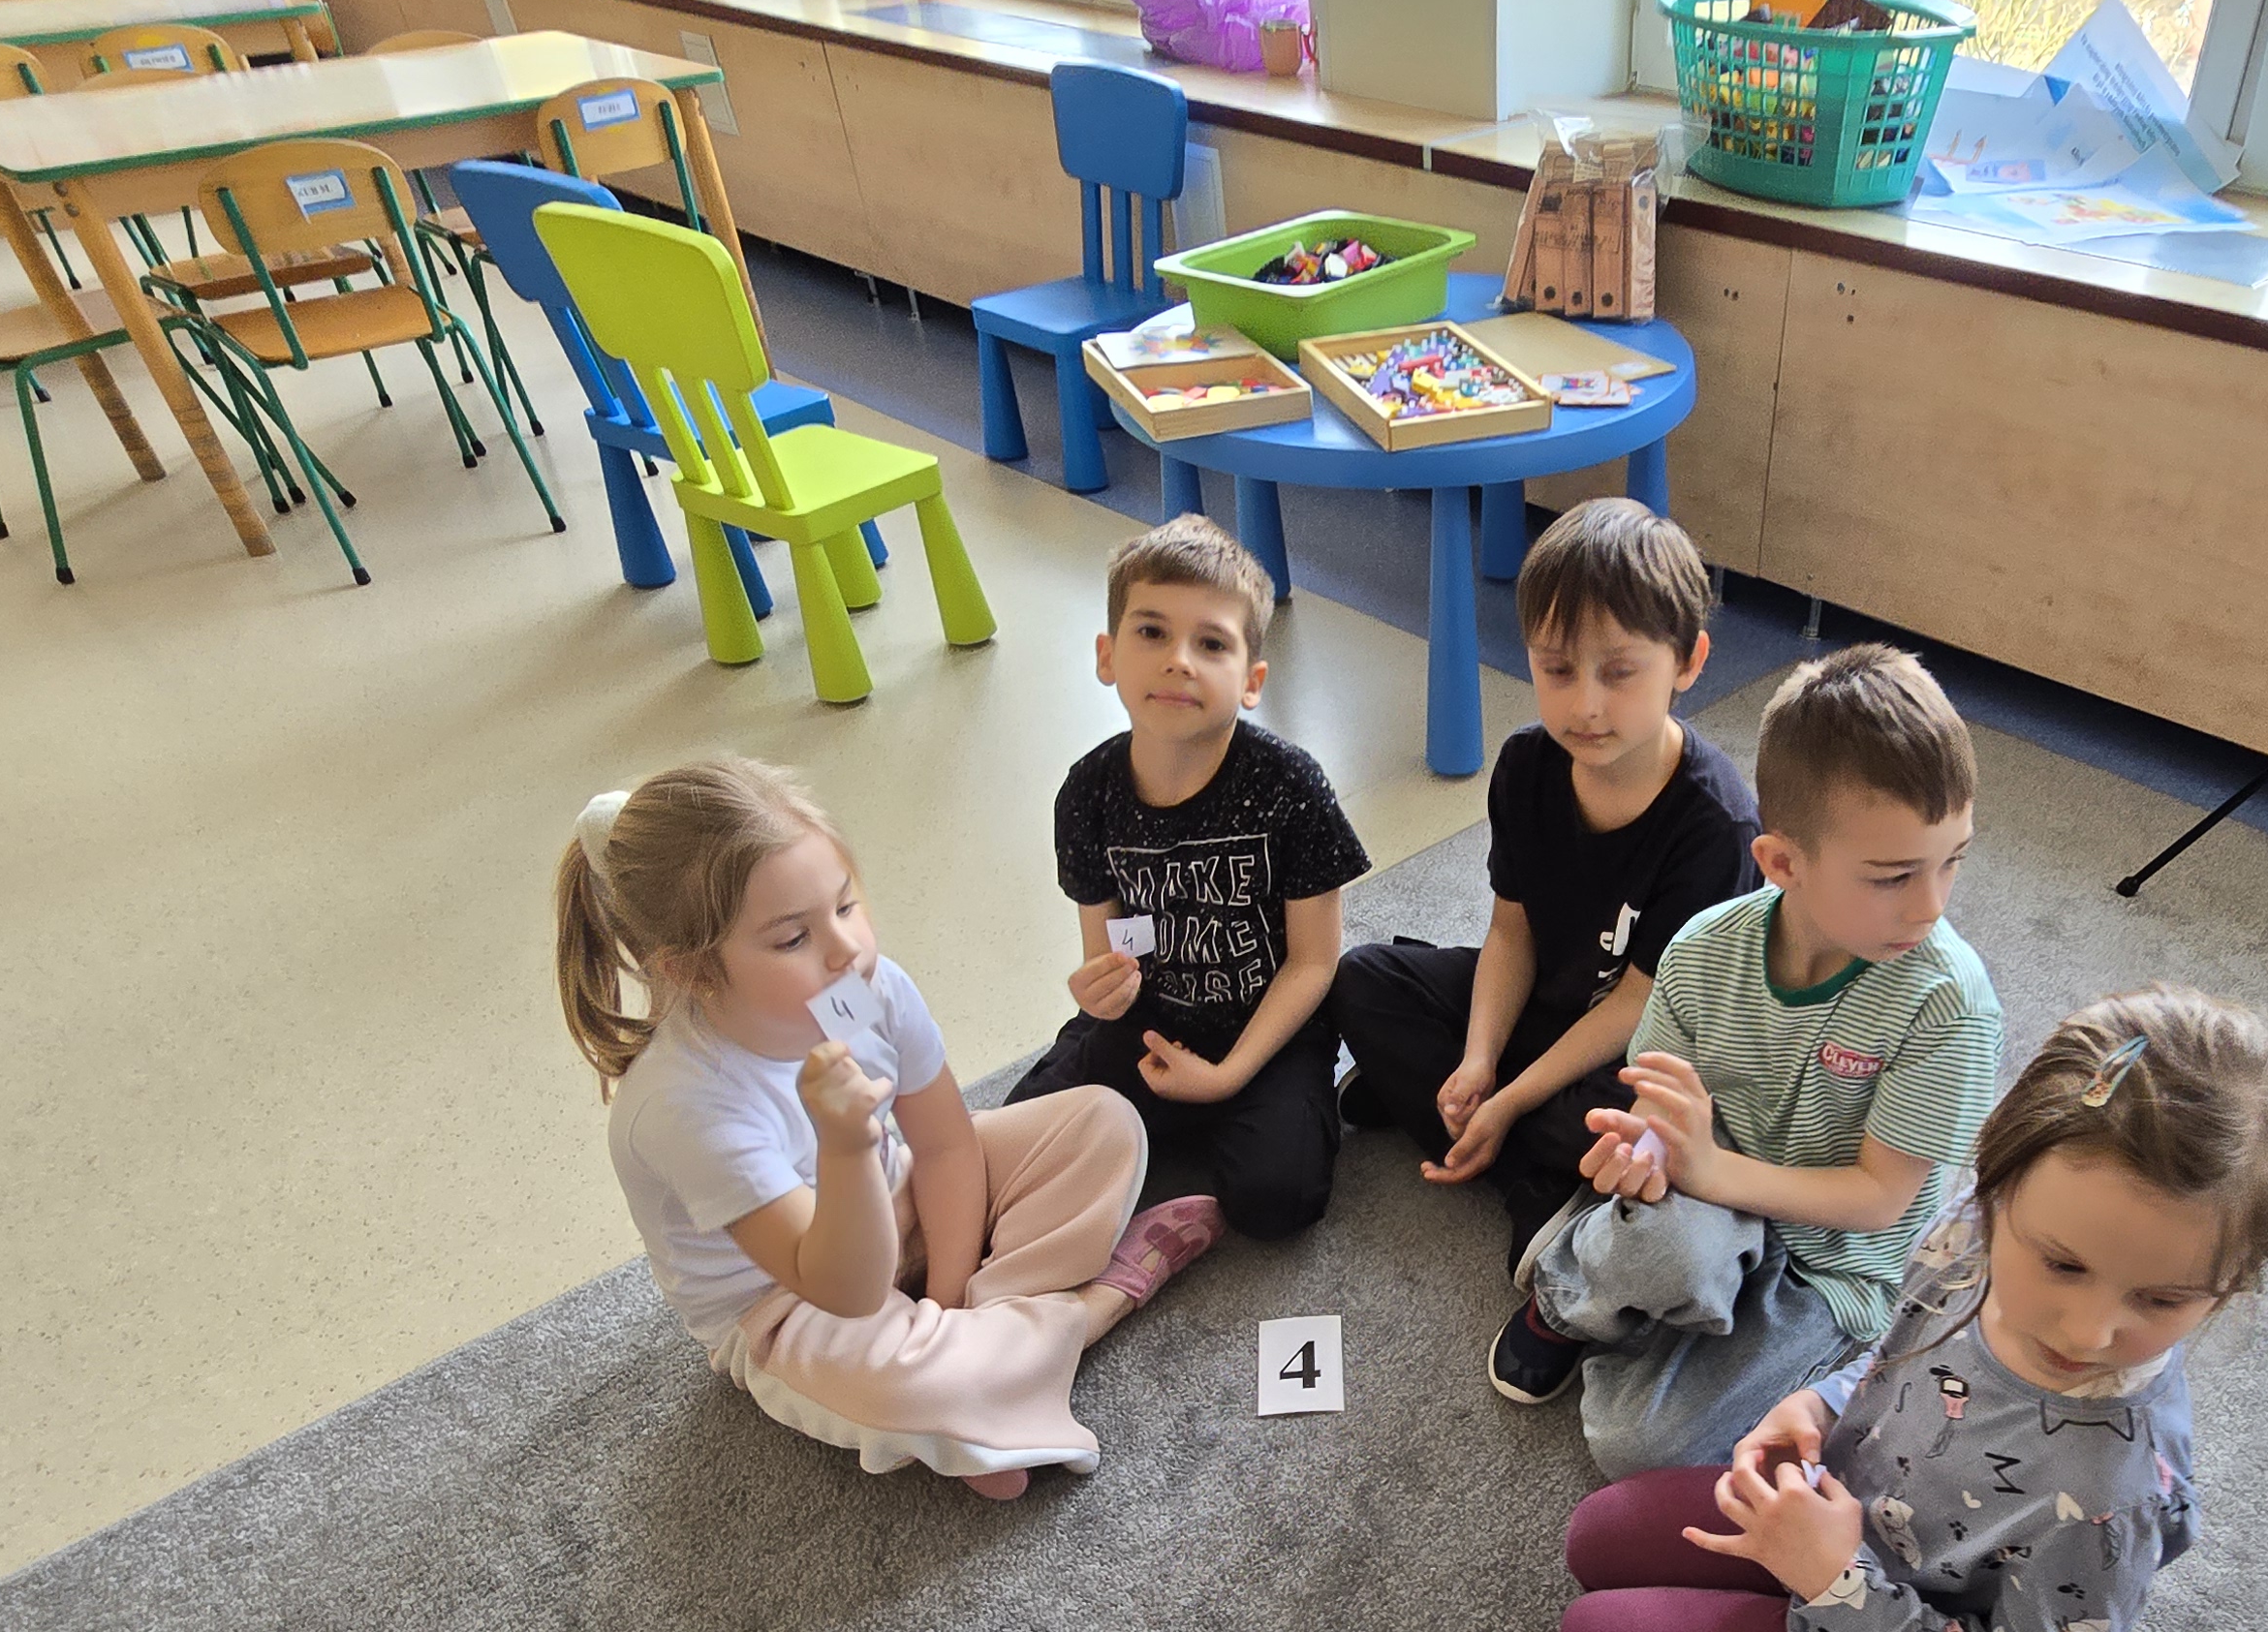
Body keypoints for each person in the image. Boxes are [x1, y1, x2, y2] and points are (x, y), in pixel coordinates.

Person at [1553, 989, 2268, 1632]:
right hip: (1853, 1519)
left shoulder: (2111, 1494)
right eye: (2061, 1264)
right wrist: (1822, 1400)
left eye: (2163, 1299)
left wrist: (1837, 1582)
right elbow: (1904, 1347)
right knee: (1597, 1540)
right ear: (1994, 1188)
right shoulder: (1973, 1229)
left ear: (2234, 1284)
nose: (2087, 1332)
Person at [560, 758, 1222, 1501]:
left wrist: (947, 1294)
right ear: (692, 972)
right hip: (792, 1303)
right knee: (910, 1384)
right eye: (792, 939)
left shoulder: (864, 987)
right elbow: (843, 1288)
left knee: (1103, 1122)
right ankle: (1095, 1308)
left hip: (895, 1190)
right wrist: (844, 1149)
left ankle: (986, 1369)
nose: (846, 949)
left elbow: (943, 1145)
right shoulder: (684, 1106)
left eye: (845, 905)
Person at [1492, 641, 2003, 1478]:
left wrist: (1704, 1173)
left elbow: (1879, 1199)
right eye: (1893, 876)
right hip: (1716, 1187)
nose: (1931, 905)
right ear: (1782, 863)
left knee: (1637, 1449)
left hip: (1835, 1266)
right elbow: (1659, 1101)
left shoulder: (1951, 1005)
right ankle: (1573, 1291)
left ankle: (1627, 1281)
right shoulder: (1703, 949)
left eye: (1952, 861)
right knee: (1659, 1246)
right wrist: (1645, 1148)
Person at [1332, 497, 1758, 1259]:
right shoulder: (1527, 763)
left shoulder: (1717, 823)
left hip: (1638, 1042)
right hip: (1545, 1007)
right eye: (1557, 669)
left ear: (1689, 662)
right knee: (1362, 979)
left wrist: (1505, 1100)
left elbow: (1639, 1004)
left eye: (1620, 672)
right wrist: (1478, 1058)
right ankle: (1515, 1154)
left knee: (1633, 1130)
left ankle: (1505, 1158)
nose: (1586, 706)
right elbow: (1510, 931)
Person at [1012, 515, 1371, 1240]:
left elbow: (1313, 962)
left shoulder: (1290, 784)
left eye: (1211, 644)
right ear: (1108, 655)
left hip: (1266, 1029)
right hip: (1149, 1019)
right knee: (1017, 1151)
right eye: (1152, 632)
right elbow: (1106, 948)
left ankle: (1186, 1122)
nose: (1179, 661)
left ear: (1251, 681)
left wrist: (1229, 1075)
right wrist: (1100, 991)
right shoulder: (1088, 791)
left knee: (1278, 1201)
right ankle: (1155, 1119)